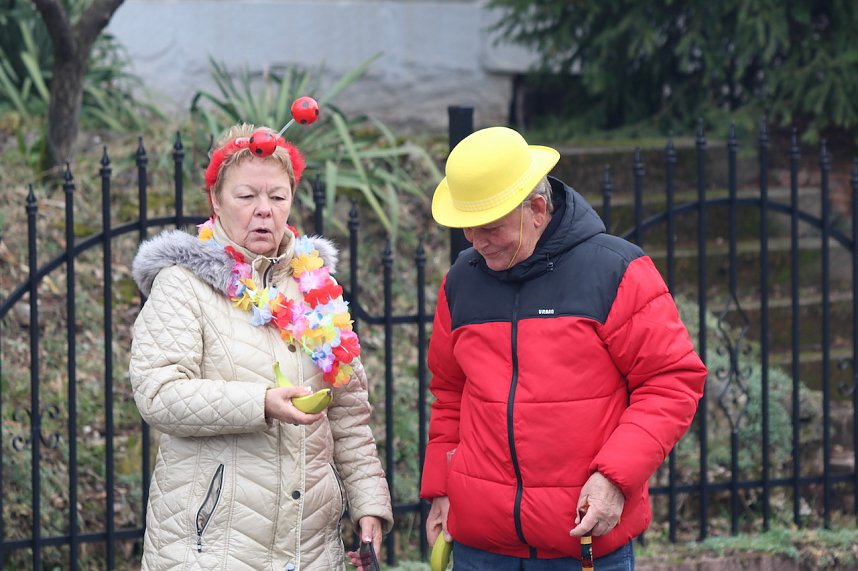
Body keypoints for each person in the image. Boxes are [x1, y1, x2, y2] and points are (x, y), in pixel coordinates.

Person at [420, 126, 706, 570]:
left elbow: (672, 382)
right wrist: (441, 488)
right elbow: (450, 394)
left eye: (490, 228)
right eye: (468, 230)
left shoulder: (615, 270)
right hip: (480, 548)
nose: (476, 242)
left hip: (583, 540)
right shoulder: (462, 280)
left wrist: (615, 478)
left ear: (536, 208)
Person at [129, 123, 393, 571]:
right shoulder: (182, 285)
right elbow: (158, 393)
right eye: (246, 196)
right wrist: (261, 403)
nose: (264, 211)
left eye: (277, 197)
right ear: (215, 199)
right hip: (209, 549)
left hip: (311, 551)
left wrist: (369, 505)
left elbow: (348, 410)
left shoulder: (317, 288)